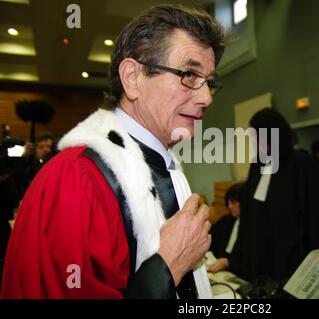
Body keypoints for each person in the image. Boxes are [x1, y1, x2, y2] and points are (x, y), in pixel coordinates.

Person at [1, 5, 225, 299]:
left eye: (209, 81)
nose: (206, 97)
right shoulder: (75, 178)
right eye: (189, 74)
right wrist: (166, 267)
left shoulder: (162, 164)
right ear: (132, 77)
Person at [213, 108, 319, 283]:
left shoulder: (301, 163)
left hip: (291, 255)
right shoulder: (257, 164)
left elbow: (318, 213)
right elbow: (250, 208)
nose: (256, 141)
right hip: (262, 253)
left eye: (258, 136)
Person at [208, 182, 244, 273]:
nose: (229, 206)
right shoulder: (226, 220)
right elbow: (210, 237)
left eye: (233, 202)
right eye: (228, 202)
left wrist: (228, 263)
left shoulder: (251, 227)